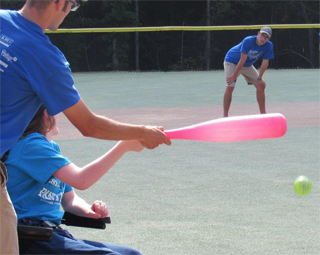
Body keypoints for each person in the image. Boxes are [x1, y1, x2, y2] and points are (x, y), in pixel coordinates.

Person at [0, 0, 171, 254]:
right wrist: (139, 134)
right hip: (37, 235)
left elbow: (69, 196)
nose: (71, 11)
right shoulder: (44, 56)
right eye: (74, 5)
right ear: (60, 2)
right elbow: (88, 125)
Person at [5, 105, 144, 255]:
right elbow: (82, 180)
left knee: (131, 254)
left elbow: (69, 200)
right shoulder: (31, 145)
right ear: (47, 114)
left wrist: (89, 211)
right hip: (29, 237)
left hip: (50, 235)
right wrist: (124, 146)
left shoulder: (50, 148)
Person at [222, 27, 274, 117]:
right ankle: (225, 116)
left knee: (260, 86)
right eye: (262, 35)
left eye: (266, 37)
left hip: (247, 65)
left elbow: (265, 63)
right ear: (258, 34)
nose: (263, 39)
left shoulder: (269, 45)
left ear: (268, 39)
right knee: (230, 86)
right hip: (232, 61)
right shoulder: (248, 40)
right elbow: (242, 60)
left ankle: (263, 115)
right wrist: (234, 75)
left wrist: (259, 78)